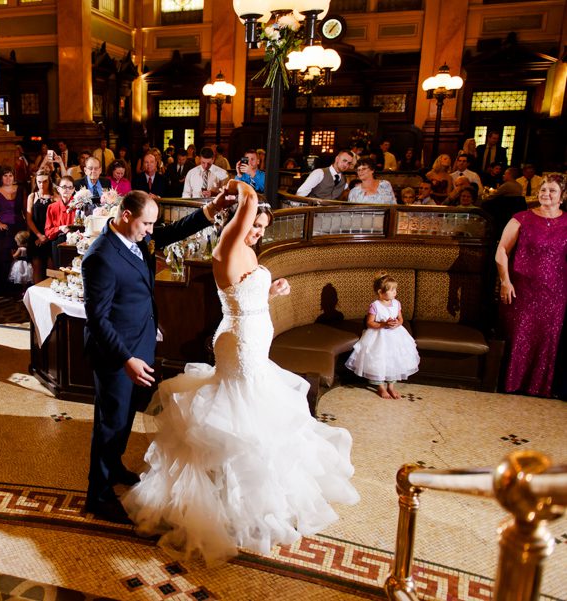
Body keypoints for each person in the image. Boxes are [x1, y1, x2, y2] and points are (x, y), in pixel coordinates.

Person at [120, 181, 359, 563]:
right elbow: (247, 197)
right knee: (243, 416)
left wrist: (271, 291)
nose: (258, 232)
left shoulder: (244, 249)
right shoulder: (228, 245)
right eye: (254, 225)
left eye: (263, 227)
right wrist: (233, 186)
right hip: (239, 343)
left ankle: (244, 492)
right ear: (234, 222)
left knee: (250, 411)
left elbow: (243, 291)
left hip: (253, 336)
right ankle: (231, 503)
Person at [81, 187, 236, 524]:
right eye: (146, 224)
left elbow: (175, 231)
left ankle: (115, 466)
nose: (151, 231)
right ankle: (98, 494)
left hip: (139, 341)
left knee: (124, 418)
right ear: (126, 217)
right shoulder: (100, 257)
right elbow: (98, 318)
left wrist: (213, 208)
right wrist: (126, 359)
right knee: (110, 422)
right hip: (115, 353)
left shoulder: (138, 238)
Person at [495, 174, 567, 398]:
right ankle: (510, 384)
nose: (546, 193)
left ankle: (539, 388)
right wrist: (505, 281)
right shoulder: (521, 218)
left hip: (556, 292)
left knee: (547, 339)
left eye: (552, 190)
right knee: (519, 336)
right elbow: (501, 251)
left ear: (562, 197)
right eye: (543, 189)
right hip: (522, 289)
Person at [345, 274, 420, 399]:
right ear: (381, 292)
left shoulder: (396, 303)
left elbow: (401, 319)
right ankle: (380, 387)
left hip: (396, 335)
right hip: (379, 336)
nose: (395, 292)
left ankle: (391, 386)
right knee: (378, 360)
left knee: (394, 359)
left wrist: (397, 323)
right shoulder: (375, 305)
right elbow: (369, 323)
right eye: (392, 290)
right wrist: (384, 324)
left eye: (395, 289)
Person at [0, 166, 26, 295]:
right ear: (1, 178)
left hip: (19, 226)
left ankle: (19, 287)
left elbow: (25, 209)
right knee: (4, 257)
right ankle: (4, 288)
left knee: (20, 256)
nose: (8, 178)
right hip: (3, 227)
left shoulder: (20, 190)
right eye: (5, 175)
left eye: (10, 175)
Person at [25, 170, 54, 283]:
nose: (42, 184)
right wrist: (39, 235)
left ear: (49, 182)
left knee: (51, 267)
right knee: (36, 267)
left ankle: (52, 296)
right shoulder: (32, 196)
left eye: (45, 181)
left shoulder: (54, 197)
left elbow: (57, 219)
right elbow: (29, 219)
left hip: (51, 235)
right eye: (39, 182)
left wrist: (46, 236)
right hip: (36, 234)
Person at [44, 175, 78, 269]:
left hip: (75, 242)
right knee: (60, 271)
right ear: (58, 189)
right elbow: (48, 232)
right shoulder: (52, 207)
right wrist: (59, 228)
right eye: (63, 187)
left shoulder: (79, 206)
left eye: (70, 187)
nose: (66, 190)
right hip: (58, 242)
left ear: (73, 189)